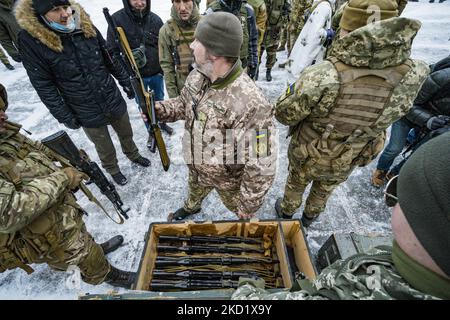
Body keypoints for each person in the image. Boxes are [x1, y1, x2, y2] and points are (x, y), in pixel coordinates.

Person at [233, 132, 450, 300]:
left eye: (396, 193)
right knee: (321, 193)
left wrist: (247, 288)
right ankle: (307, 218)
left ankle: (289, 213)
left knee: (295, 188)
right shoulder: (408, 267)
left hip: (311, 154)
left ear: (427, 224)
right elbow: (376, 141)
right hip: (343, 161)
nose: (391, 203)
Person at [274, 0, 429, 227]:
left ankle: (286, 214)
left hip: (309, 150)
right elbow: (401, 111)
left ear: (346, 30)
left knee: (297, 182)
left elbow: (284, 113)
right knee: (325, 188)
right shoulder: (415, 72)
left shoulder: (323, 75)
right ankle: (309, 217)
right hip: (351, 152)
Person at [0, 83, 136, 289]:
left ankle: (93, 250)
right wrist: (62, 178)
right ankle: (107, 274)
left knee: (81, 239)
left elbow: (33, 150)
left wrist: (66, 163)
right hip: (37, 232)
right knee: (79, 254)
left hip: (54, 210)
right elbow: (9, 213)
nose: (4, 117)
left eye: (1, 110)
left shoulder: (5, 131)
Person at [154, 12, 276, 221]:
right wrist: (160, 110)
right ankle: (192, 207)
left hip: (228, 181)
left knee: (243, 218)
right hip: (196, 165)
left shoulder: (252, 105)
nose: (192, 45)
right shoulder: (198, 75)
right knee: (194, 192)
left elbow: (261, 164)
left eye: (198, 41)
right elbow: (183, 105)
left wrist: (247, 205)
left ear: (214, 52)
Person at [16, 0, 150, 186]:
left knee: (126, 132)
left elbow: (108, 57)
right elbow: (43, 84)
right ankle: (112, 168)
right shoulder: (31, 40)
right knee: (104, 145)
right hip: (83, 106)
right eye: (56, 10)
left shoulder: (84, 25)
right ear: (41, 14)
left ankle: (133, 154)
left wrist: (125, 82)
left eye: (65, 7)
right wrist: (64, 114)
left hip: (110, 95)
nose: (64, 14)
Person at [371, 54, 450, 186]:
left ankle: (395, 174)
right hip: (409, 113)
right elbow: (407, 103)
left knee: (418, 154)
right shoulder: (442, 78)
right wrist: (429, 120)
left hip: (434, 124)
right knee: (395, 148)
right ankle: (381, 170)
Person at [107, 0, 174, 143]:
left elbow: (164, 47)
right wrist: (127, 75)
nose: (140, 2)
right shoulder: (116, 19)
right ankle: (151, 131)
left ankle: (161, 123)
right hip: (136, 77)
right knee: (144, 107)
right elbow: (112, 51)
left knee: (159, 101)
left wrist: (162, 70)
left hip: (156, 73)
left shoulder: (155, 19)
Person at [206, 0, 259, 79]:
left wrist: (253, 63)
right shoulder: (212, 11)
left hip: (242, 66)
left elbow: (252, 39)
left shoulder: (247, 10)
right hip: (220, 68)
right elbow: (205, 42)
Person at [158, 0, 200, 99]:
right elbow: (167, 67)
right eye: (177, 1)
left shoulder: (207, 24)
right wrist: (174, 98)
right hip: (184, 90)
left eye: (186, 1)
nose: (182, 8)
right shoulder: (166, 30)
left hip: (208, 89)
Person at [286, 0, 336, 78]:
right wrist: (327, 33)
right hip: (310, 56)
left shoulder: (322, 5)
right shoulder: (324, 7)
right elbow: (315, 34)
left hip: (307, 50)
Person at [260, 0, 291, 81]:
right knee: (259, 49)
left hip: (275, 29)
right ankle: (255, 70)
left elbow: (287, 9)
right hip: (262, 27)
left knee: (272, 51)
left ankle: (268, 71)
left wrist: (284, 16)